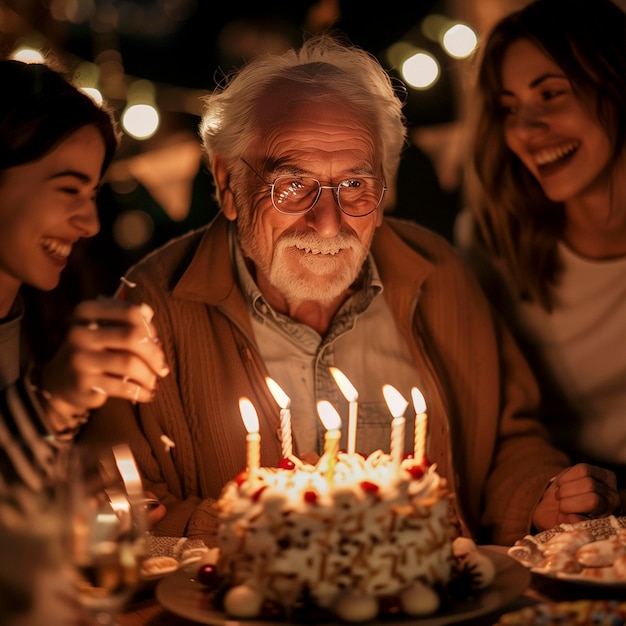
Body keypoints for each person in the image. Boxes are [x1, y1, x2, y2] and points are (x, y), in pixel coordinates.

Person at [82, 34, 619, 550]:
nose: (327, 223)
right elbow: (122, 511)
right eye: (293, 185)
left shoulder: (437, 274)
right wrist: (243, 527)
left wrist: (542, 497)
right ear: (228, 185)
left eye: (356, 185)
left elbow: (505, 440)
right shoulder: (151, 309)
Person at [0, 58, 170, 624]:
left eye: (95, 192)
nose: (91, 221)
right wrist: (50, 401)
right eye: (69, 188)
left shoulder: (46, 322)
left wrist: (101, 514)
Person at [457, 0, 626, 504]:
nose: (526, 131)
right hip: (564, 503)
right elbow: (491, 422)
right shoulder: (492, 246)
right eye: (509, 109)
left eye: (551, 94)